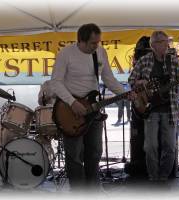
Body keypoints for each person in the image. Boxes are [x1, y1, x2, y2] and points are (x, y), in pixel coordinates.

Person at [49, 23, 129, 191]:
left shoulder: (100, 52)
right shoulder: (66, 54)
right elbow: (55, 82)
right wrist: (72, 102)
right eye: (93, 43)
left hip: (93, 109)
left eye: (98, 42)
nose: (96, 46)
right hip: (70, 110)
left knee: (95, 152)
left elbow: (108, 78)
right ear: (81, 41)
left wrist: (125, 93)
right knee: (74, 156)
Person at [128, 31, 179, 182]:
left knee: (170, 147)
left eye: (166, 41)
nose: (167, 45)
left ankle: (163, 176)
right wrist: (140, 82)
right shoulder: (144, 61)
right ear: (153, 45)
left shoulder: (174, 62)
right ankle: (153, 177)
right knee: (150, 146)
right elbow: (131, 79)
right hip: (150, 110)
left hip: (170, 110)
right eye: (163, 42)